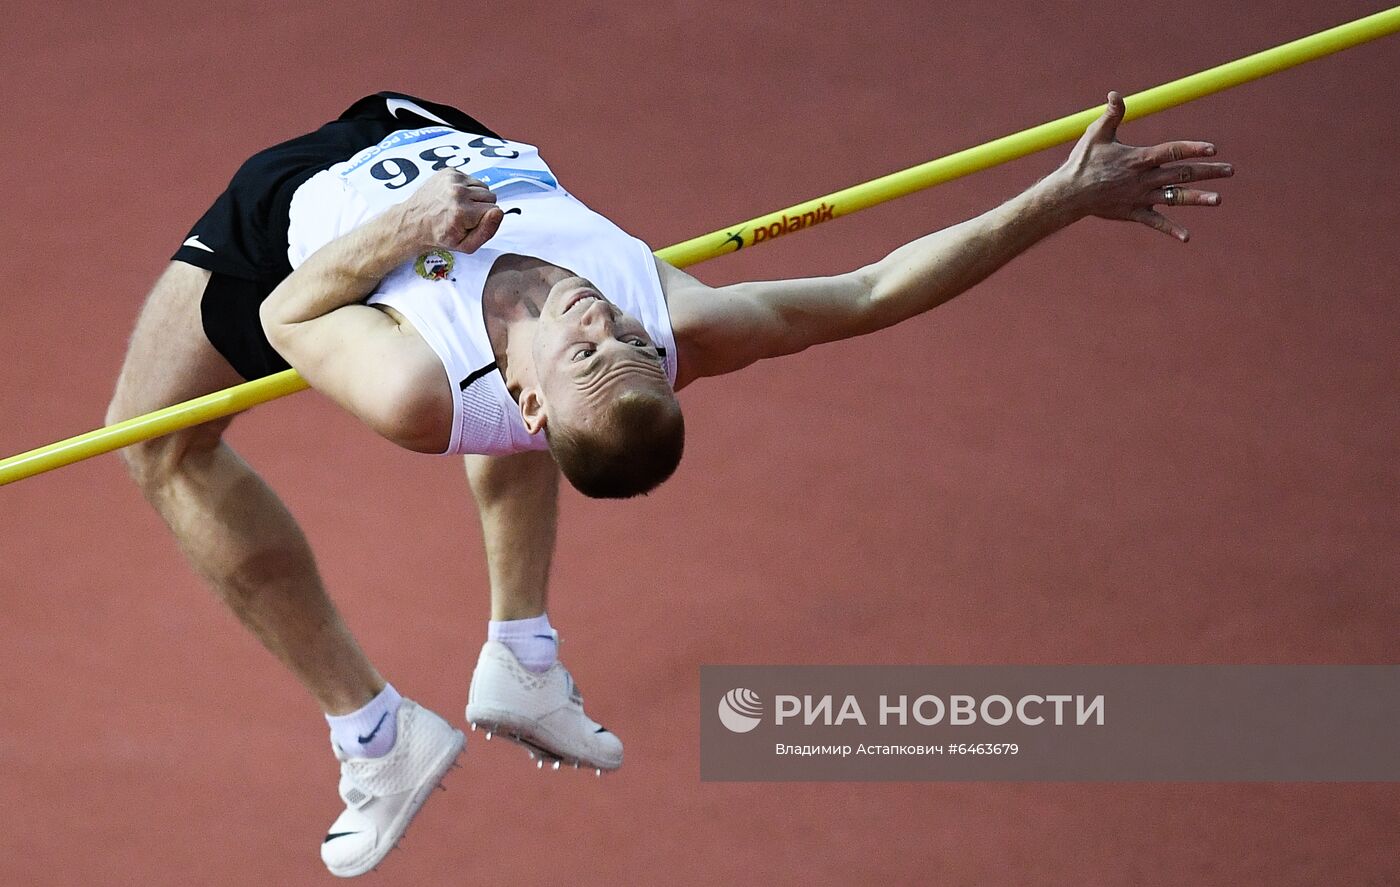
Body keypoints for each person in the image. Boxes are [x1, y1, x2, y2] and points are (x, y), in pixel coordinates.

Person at [104, 90, 1229, 876]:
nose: (606, 325)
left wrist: (403, 227)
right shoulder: (674, 320)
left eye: (592, 354)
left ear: (528, 402)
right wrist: (1058, 198)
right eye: (630, 349)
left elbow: (285, 314)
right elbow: (872, 287)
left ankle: (375, 734)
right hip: (436, 127)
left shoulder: (418, 391)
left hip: (295, 215)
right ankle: (522, 658)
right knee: (571, 413)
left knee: (156, 443)